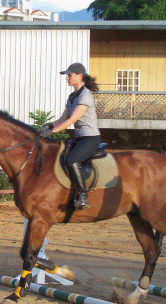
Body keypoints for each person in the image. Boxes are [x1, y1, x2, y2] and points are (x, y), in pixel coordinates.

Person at [38, 63, 100, 210]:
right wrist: (47, 127)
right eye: (67, 75)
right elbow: (62, 119)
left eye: (70, 75)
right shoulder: (72, 96)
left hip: (90, 138)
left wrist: (53, 132)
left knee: (72, 160)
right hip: (79, 138)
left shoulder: (85, 96)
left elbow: (71, 121)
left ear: (80, 76)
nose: (67, 78)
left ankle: (84, 197)